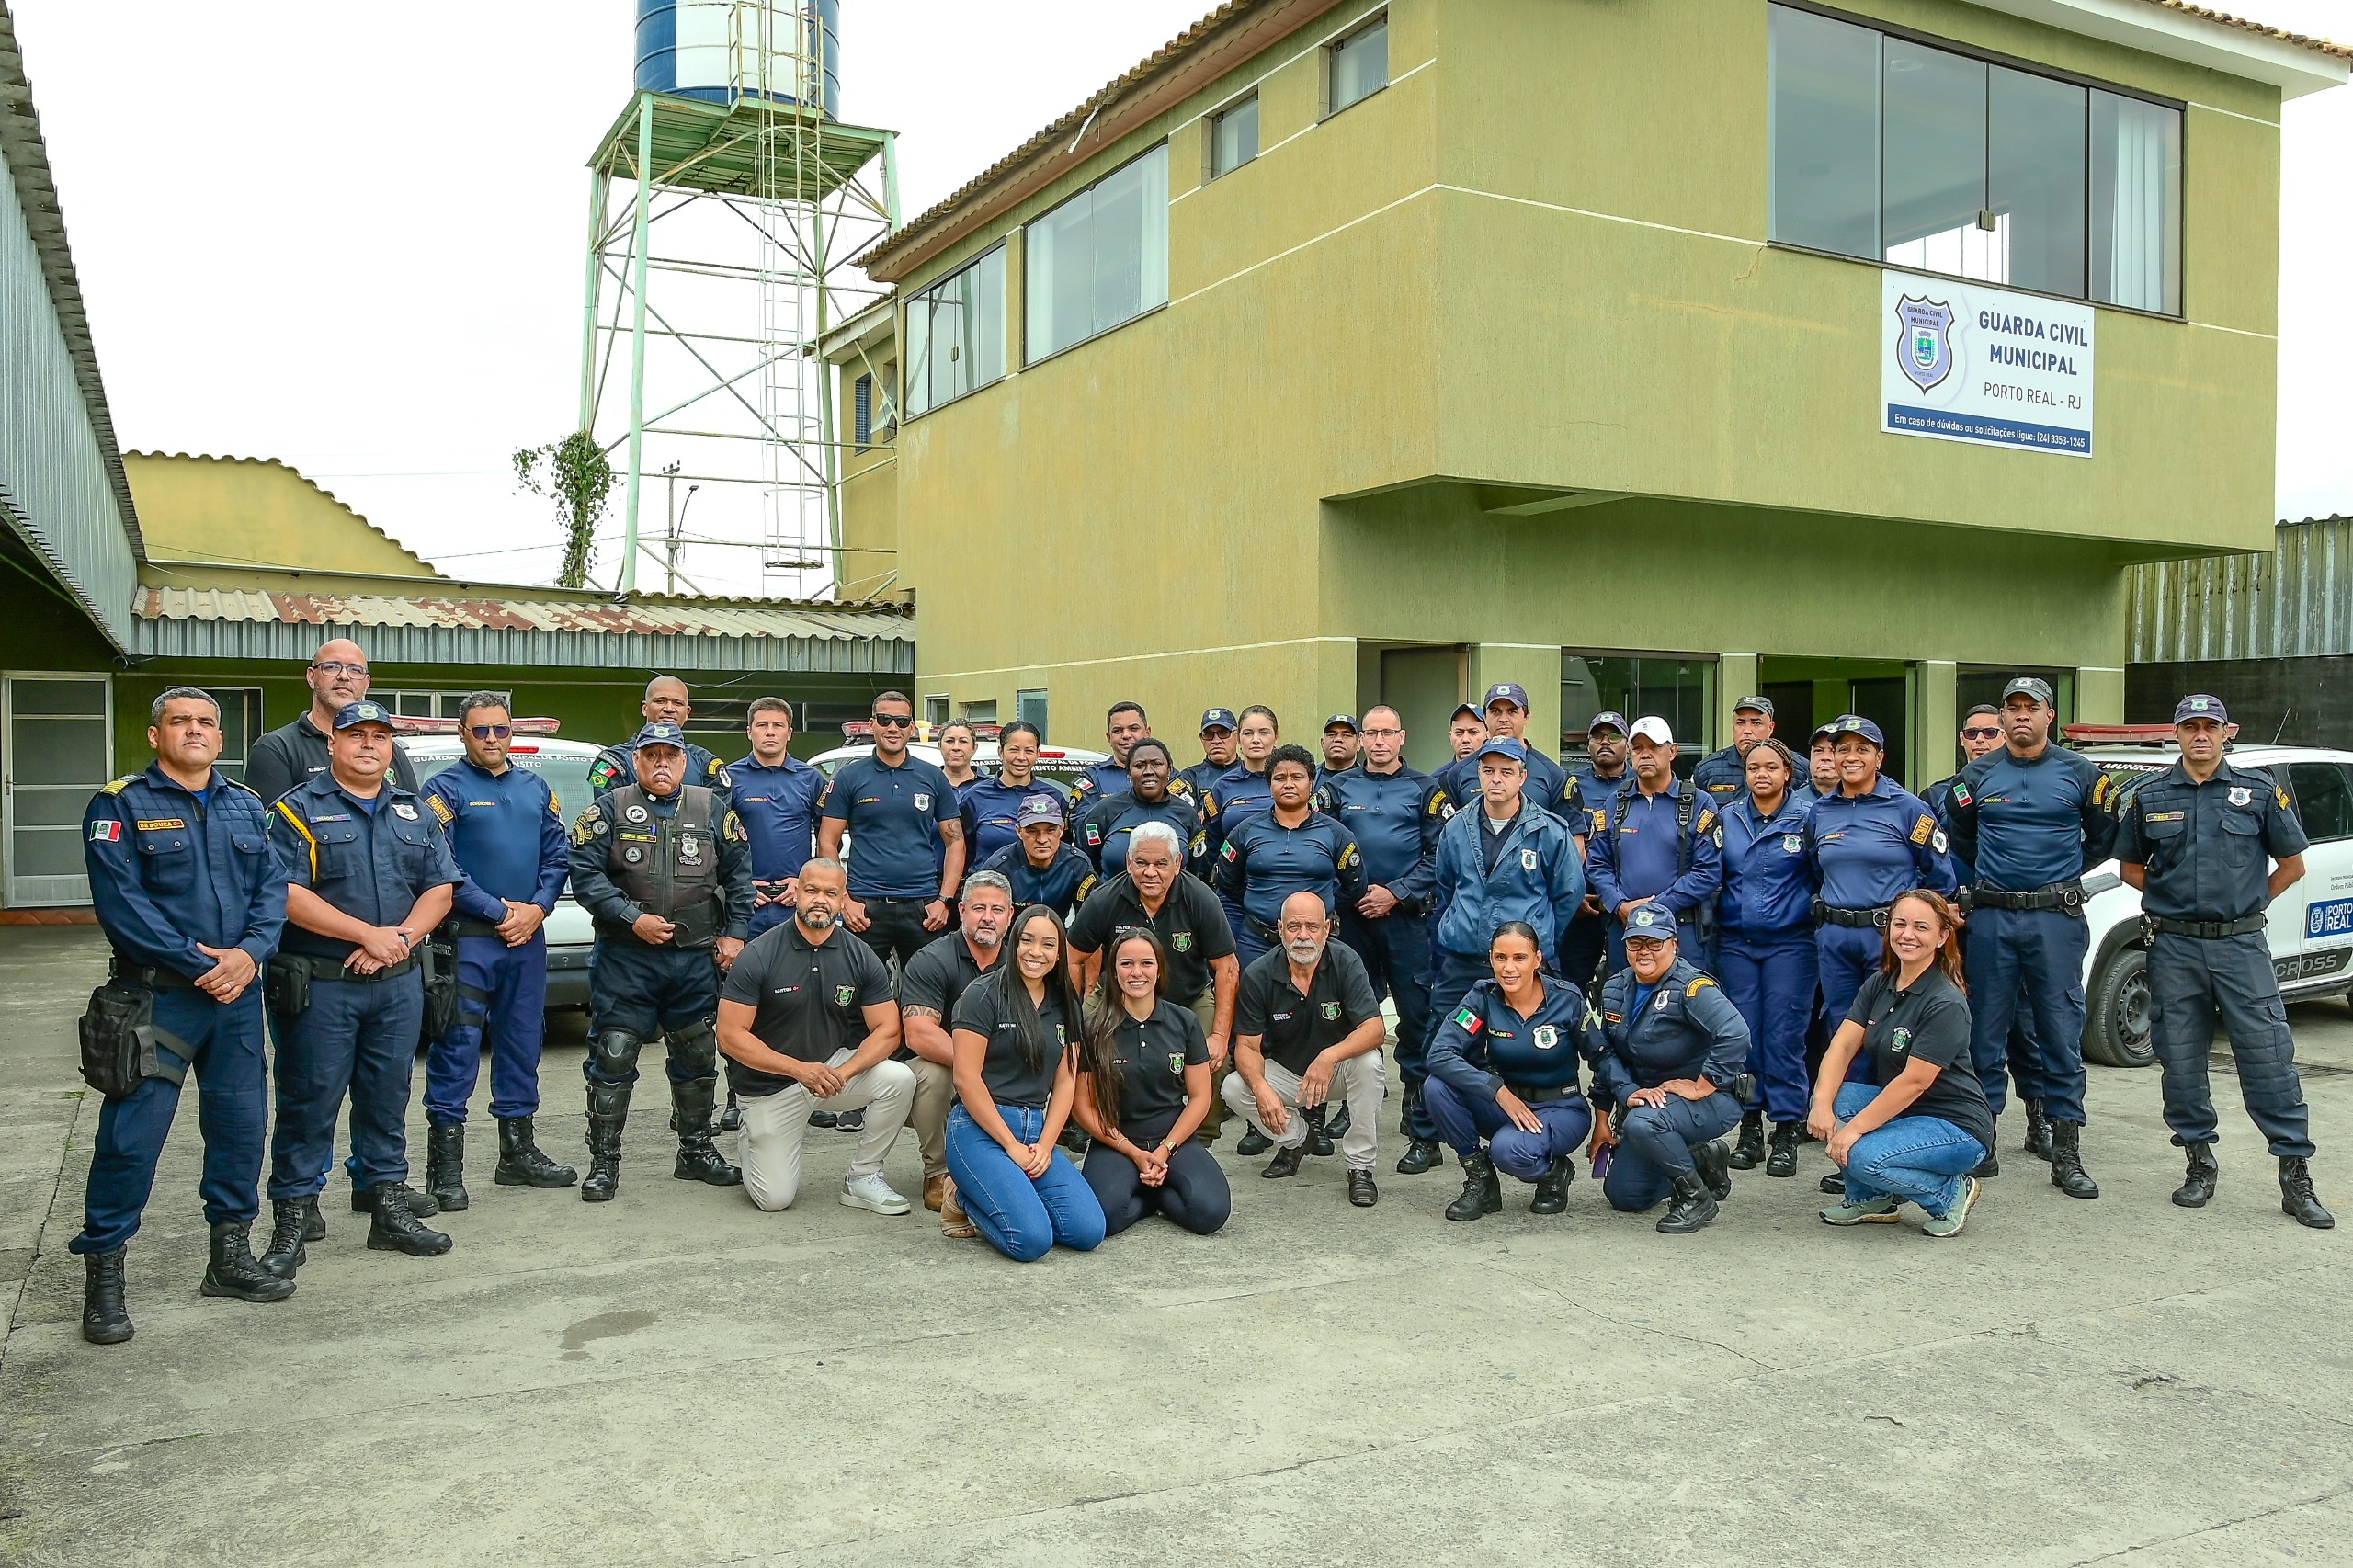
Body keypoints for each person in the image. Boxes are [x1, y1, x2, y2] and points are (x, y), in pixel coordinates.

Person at [74, 688, 293, 1344]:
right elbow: (123, 906)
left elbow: (272, 892)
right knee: (130, 1140)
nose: (194, 731)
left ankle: (228, 1259)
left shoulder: (247, 807)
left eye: (205, 723)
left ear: (220, 740)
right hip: (160, 1001)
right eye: (180, 722)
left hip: (235, 1003)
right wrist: (204, 964)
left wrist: (251, 955)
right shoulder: (118, 806)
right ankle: (105, 1276)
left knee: (239, 1129)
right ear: (155, 735)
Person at [2114, 694, 2332, 1229]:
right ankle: (2198, 1162)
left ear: (2227, 732)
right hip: (2175, 948)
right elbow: (2130, 868)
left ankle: (2294, 1173)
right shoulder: (2150, 796)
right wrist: (2174, 903)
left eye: (2210, 726)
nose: (2201, 736)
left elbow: (2292, 864)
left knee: (2268, 1055)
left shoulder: (2258, 793)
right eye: (2191, 727)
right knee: (2181, 1057)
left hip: (2240, 947)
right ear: (2177, 733)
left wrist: (2247, 902)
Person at [259, 699, 461, 1269]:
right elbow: (287, 894)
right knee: (309, 1101)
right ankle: (293, 1221)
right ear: (333, 745)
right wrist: (368, 936)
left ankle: (388, 1210)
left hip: (396, 983)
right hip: (322, 985)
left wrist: (396, 940)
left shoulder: (416, 812)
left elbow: (440, 889)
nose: (369, 745)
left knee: (387, 1096)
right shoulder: (295, 811)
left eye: (380, 736)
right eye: (356, 736)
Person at [1940, 676, 2115, 1198]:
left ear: (2049, 716)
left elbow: (2103, 837)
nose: (2021, 717)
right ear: (2003, 717)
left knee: (2060, 1030)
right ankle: (1982, 1144)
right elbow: (1963, 837)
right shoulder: (1974, 776)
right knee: (1985, 1034)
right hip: (1992, 920)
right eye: (2012, 709)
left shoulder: (2082, 774)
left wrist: (2056, 878)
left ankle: (2066, 1150)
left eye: (2030, 708)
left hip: (2054, 921)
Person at [566, 722, 754, 1200]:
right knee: (613, 1055)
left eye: (670, 755)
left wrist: (734, 935)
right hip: (627, 958)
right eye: (651, 756)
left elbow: (739, 876)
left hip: (693, 958)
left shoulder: (712, 807)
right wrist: (631, 918)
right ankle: (604, 1164)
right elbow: (584, 874)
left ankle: (696, 1152)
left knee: (696, 1056)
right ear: (638, 760)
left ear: (684, 761)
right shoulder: (609, 807)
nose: (661, 764)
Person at [416, 693, 575, 1209]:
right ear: (463, 734)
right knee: (456, 1049)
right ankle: (445, 1170)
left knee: (523, 1045)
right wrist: (499, 912)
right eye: (480, 730)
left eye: (500, 730)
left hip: (527, 942)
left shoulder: (536, 787)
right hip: (467, 942)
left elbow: (557, 855)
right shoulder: (443, 789)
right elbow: (442, 868)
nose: (491, 739)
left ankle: (517, 1155)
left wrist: (538, 909)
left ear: (511, 733)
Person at [716, 857, 914, 1216]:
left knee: (899, 1078)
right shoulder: (760, 954)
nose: (820, 899)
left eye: (831, 893)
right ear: (797, 892)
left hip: (831, 1074)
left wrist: (847, 1070)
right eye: (811, 890)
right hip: (770, 1086)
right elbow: (729, 1036)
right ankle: (753, 1131)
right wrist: (799, 1070)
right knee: (774, 1201)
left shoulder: (859, 953)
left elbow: (888, 1030)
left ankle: (863, 1177)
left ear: (843, 900)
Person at [1813, 890, 1995, 1237]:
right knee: (1836, 1099)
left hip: (1955, 1126)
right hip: (1908, 1114)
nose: (1907, 934)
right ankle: (1871, 1199)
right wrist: (1821, 1104)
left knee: (1862, 1153)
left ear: (1942, 936)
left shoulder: (1945, 1001)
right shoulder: (1881, 983)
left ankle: (1951, 1193)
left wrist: (1851, 1132)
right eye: (1900, 924)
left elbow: (1915, 1082)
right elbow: (1843, 1044)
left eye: (1921, 927)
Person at [1319, 706, 1447, 1174]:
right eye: (1368, 733)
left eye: (1386, 733)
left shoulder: (1425, 790)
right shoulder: (1333, 789)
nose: (1377, 741)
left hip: (1406, 921)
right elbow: (1321, 846)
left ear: (1402, 737)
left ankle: (1421, 1129)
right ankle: (1349, 1109)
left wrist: (1395, 893)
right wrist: (1354, 895)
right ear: (1358, 740)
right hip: (1352, 921)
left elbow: (1440, 854)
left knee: (1415, 1022)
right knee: (1351, 1019)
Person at [946, 904, 1107, 1261]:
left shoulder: (1066, 1003)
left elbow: (1066, 1081)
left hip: (1035, 1129)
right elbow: (966, 1078)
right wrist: (1010, 1145)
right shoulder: (982, 994)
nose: (1037, 952)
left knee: (1088, 1231)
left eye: (1049, 944)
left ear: (1059, 953)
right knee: (1031, 1242)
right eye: (1028, 941)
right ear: (1013, 941)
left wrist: (1046, 1145)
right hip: (981, 1129)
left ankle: (1007, 1195)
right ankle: (963, 1196)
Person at [1067, 821, 1240, 1141]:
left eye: (1161, 863)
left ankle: (1199, 1139)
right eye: (1142, 862)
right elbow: (1071, 956)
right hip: (1117, 996)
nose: (1151, 872)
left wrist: (1219, 1034)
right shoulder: (1105, 898)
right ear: (1129, 862)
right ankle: (1092, 1124)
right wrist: (1080, 1002)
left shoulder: (1201, 899)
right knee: (1074, 1047)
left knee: (1215, 1059)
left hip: (1187, 997)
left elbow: (1227, 967)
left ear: (1177, 864)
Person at [1580, 903, 1746, 1233]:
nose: (1644, 952)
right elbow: (1607, 1056)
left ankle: (1695, 1198)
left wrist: (1703, 1084)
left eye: (1654, 943)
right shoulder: (1613, 988)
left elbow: (1736, 1033)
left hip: (1708, 1101)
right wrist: (1602, 1120)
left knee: (1644, 1123)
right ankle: (1701, 1158)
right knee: (1625, 1196)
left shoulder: (1692, 987)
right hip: (1650, 1105)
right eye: (1635, 943)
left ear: (1674, 944)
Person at [1926, 704, 2044, 1160]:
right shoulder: (1939, 793)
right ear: (1961, 739)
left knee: (2026, 1027)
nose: (1980, 740)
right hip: (1953, 928)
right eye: (1972, 733)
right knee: (1972, 1032)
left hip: (2008, 918)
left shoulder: (2023, 788)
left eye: (1989, 732)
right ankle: (1973, 1123)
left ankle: (2039, 1118)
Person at [1222, 891, 1388, 1206]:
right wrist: (1260, 1088)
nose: (1303, 936)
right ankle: (1299, 1138)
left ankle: (1360, 1167)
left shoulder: (1346, 961)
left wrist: (1330, 1056)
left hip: (1337, 1071)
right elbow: (1246, 1046)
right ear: (1280, 929)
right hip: (1290, 1074)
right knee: (1234, 1087)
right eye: (1294, 927)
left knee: (1369, 1063)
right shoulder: (1258, 973)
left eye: (1312, 927)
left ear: (1327, 929)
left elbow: (1375, 1029)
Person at [1424, 922, 1593, 1221]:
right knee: (1437, 1086)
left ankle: (1555, 1173)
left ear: (1537, 960)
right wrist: (1496, 1090)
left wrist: (1605, 1120)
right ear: (1490, 958)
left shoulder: (1567, 999)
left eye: (1519, 958)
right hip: (1508, 1104)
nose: (1509, 968)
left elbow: (1602, 1058)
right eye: (1501, 958)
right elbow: (1439, 1054)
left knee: (1508, 1151)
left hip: (1561, 1107)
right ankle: (1480, 1181)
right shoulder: (1483, 998)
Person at [1070, 929, 1231, 1237]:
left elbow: (1200, 1097)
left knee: (1210, 1213)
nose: (1136, 972)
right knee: (1106, 1217)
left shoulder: (1184, 1022)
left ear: (1159, 970)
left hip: (1173, 1136)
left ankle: (1153, 1189)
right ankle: (1147, 1195)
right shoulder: (1092, 1028)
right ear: (1113, 972)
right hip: (1116, 1138)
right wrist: (1132, 1152)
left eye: (1146, 963)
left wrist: (1165, 1150)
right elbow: (1083, 1106)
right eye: (1126, 964)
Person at [1714, 737, 1817, 1179]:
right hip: (1736, 943)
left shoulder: (1808, 818)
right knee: (1745, 1038)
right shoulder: (1727, 817)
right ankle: (1750, 1128)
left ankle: (1786, 1131)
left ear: (1787, 774)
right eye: (1753, 767)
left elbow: (1823, 876)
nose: (1761, 774)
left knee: (1785, 1037)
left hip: (1791, 944)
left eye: (1771, 767)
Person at [1428, 737, 1586, 1009]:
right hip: (1463, 963)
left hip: (1522, 966)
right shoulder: (1455, 828)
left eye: (1506, 772)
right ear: (1479, 774)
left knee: (1524, 1046)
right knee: (1443, 1044)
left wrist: (1537, 930)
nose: (1496, 779)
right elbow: (1447, 883)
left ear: (1522, 777)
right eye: (1488, 771)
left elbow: (1568, 894)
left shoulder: (1549, 832)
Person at [899, 870, 1016, 1234]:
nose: (987, 917)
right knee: (929, 1073)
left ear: (1010, 916)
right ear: (961, 910)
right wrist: (979, 1065)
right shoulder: (932, 959)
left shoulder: (1023, 963)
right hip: (950, 1070)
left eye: (997, 910)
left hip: (1004, 1070)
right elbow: (919, 1034)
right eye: (978, 907)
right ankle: (937, 1172)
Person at [817, 690, 966, 971]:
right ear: (872, 724)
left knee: (927, 990)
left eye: (901, 721)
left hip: (922, 909)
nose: (893, 728)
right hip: (864, 908)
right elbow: (827, 842)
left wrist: (944, 901)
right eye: (885, 720)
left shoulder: (933, 776)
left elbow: (955, 841)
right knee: (854, 993)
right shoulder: (850, 776)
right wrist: (845, 900)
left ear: (912, 727)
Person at [1585, 717, 1723, 976]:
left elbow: (1708, 873)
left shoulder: (1698, 803)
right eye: (1637, 748)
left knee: (1683, 1009)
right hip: (1625, 930)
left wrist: (1656, 908)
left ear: (1672, 751)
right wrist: (1619, 904)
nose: (1645, 754)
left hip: (1681, 931)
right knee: (1623, 1008)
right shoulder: (1615, 803)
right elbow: (1598, 863)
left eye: (1654, 747)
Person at [1214, 744, 1365, 972]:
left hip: (1316, 943)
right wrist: (1258, 900)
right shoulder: (1246, 831)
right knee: (1251, 1006)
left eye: (1297, 777)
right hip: (1257, 942)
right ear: (1269, 784)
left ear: (1311, 782)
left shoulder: (1336, 833)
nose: (1289, 784)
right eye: (1280, 778)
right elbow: (1227, 880)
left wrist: (1323, 903)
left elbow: (1355, 885)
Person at [242, 638, 419, 803]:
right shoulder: (277, 748)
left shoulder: (389, 752)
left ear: (366, 683)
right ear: (311, 677)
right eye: (332, 667)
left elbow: (416, 819)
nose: (344, 676)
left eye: (355, 670)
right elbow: (269, 830)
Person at [731, 697, 826, 942]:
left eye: (778, 725)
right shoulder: (729, 778)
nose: (770, 732)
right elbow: (715, 840)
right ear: (749, 731)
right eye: (762, 725)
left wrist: (807, 882)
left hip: (795, 901)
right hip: (746, 903)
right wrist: (740, 886)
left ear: (790, 733)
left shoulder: (811, 779)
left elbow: (828, 839)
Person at [1559, 710, 1631, 992]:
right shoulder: (1569, 785)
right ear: (1588, 744)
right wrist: (1571, 895)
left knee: (1622, 987)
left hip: (1624, 905)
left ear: (1626, 743)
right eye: (1597, 736)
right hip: (1579, 907)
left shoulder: (1641, 784)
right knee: (1569, 984)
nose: (1605, 742)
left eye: (1613, 736)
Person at [1071, 737, 1204, 879]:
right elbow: (1085, 863)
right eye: (1139, 765)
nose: (1148, 771)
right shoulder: (1104, 811)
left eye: (1157, 764)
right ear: (1128, 772)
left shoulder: (1187, 815)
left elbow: (1194, 868)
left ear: (1169, 771)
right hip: (1113, 899)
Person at [586, 675, 733, 798]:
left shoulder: (706, 765)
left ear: (687, 712)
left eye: (677, 703)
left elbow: (717, 820)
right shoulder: (614, 762)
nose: (669, 709)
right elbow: (608, 816)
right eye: (660, 701)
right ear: (645, 708)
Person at [1438, 684, 1569, 818]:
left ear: (1526, 716)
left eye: (1512, 712)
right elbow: (1448, 833)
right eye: (1495, 712)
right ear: (1485, 716)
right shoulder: (1457, 774)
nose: (1503, 719)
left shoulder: (1553, 774)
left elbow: (1570, 835)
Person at [979, 794, 1097, 917]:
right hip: (1009, 935)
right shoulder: (998, 868)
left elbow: (1087, 921)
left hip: (1058, 934)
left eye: (1050, 830)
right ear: (1019, 831)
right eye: (1032, 831)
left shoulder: (1078, 865)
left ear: (1061, 830)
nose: (1042, 839)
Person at [961, 719, 1051, 865]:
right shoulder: (975, 797)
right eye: (1014, 750)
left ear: (1037, 754)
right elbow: (962, 849)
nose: (1021, 758)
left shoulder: (1053, 797)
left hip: (1040, 886)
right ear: (1001, 752)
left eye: (1029, 751)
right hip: (988, 884)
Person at [1067, 700, 1153, 815]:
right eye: (1118, 731)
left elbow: (1183, 815)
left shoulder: (1166, 774)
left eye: (1133, 728)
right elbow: (1081, 822)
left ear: (1147, 733)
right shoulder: (1092, 778)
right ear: (1109, 738)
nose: (1126, 735)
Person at [1691, 695, 1777, 807]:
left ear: (1771, 728)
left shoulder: (1793, 768)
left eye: (1756, 723)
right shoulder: (1707, 770)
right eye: (1740, 723)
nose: (1747, 731)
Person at [1179, 707, 1241, 802]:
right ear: (1202, 739)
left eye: (1224, 733)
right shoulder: (1189, 777)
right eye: (1208, 734)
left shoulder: (1250, 773)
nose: (1216, 741)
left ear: (1238, 737)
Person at [935, 719, 983, 795]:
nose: (956, 747)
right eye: (950, 741)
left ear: (974, 748)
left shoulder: (990, 788)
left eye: (963, 741)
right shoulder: (927, 784)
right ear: (939, 746)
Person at [1318, 713, 1362, 783]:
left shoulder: (1369, 781)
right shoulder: (1309, 778)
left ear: (1358, 744)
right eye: (1332, 735)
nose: (1338, 739)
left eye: (1346, 735)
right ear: (1322, 743)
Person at [1447, 703, 1488, 768]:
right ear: (1451, 738)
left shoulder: (1498, 776)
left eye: (1473, 732)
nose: (1465, 739)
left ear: (1487, 736)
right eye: (1459, 733)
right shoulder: (1439, 777)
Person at [1808, 724, 1840, 799]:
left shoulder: (1864, 802)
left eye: (1833, 751)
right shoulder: (1792, 802)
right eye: (1818, 750)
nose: (1825, 757)